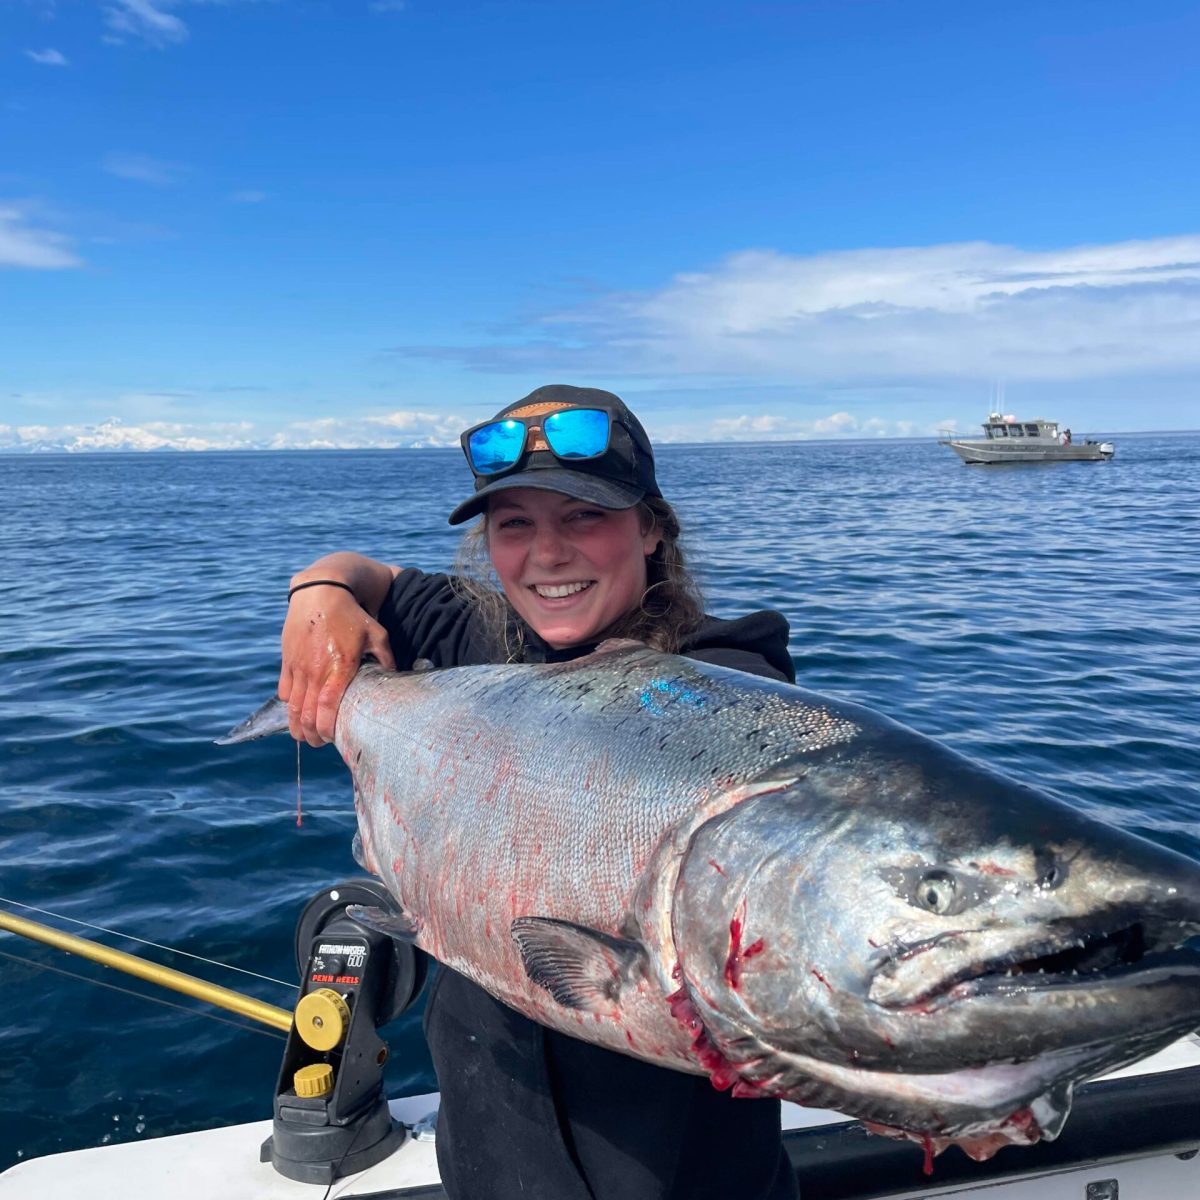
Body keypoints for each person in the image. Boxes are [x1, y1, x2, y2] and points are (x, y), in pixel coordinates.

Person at [279, 384, 800, 1200]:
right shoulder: (476, 636)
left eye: (584, 517)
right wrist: (317, 598)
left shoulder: (727, 674)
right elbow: (364, 575)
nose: (547, 554)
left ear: (653, 528)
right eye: (513, 525)